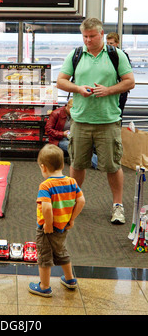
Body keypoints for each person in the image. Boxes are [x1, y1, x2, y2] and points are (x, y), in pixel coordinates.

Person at [56, 17, 135, 224]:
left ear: (101, 35)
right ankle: (73, 200)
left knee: (112, 165)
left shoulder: (116, 56)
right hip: (81, 121)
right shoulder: (75, 55)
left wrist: (108, 90)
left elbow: (130, 82)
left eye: (92, 36)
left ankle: (117, 206)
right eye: (85, 37)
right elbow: (61, 81)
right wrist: (78, 89)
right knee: (77, 163)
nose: (88, 40)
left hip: (108, 121)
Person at [29, 144, 85, 297]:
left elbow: (46, 208)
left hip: (46, 228)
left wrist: (47, 224)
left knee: (44, 256)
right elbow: (81, 201)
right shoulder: (72, 182)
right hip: (63, 226)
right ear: (62, 164)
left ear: (43, 167)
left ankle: (44, 286)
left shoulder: (46, 185)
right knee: (61, 251)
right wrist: (71, 219)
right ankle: (70, 279)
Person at [106, 32, 131, 117]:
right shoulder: (104, 55)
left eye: (111, 43)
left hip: (120, 90)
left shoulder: (122, 56)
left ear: (117, 43)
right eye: (107, 43)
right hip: (107, 89)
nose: (109, 45)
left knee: (118, 115)